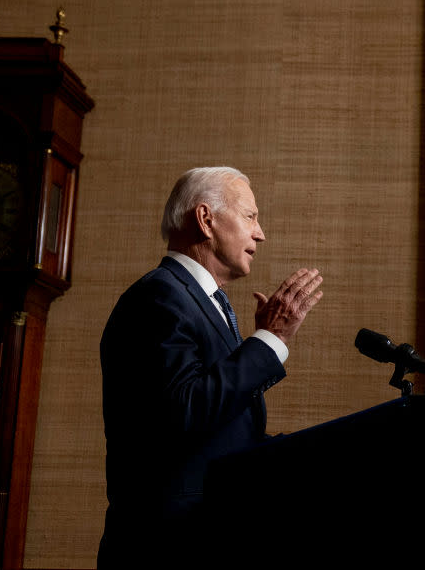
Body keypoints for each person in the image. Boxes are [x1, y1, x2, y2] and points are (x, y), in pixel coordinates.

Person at [98, 167, 324, 569]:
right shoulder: (160, 297)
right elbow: (185, 410)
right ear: (206, 220)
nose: (261, 233)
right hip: (167, 547)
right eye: (251, 216)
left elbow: (220, 430)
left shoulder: (202, 301)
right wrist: (269, 340)